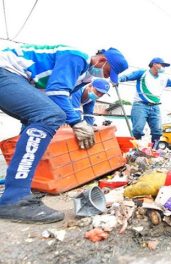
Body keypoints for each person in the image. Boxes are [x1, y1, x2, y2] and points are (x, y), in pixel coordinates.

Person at [0, 44, 128, 223]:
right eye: (108, 72)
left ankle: (19, 187)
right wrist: (77, 122)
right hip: (5, 71)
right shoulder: (76, 57)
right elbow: (56, 94)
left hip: (15, 78)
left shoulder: (83, 77)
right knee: (50, 115)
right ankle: (14, 199)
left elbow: (52, 97)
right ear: (101, 60)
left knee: (37, 119)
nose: (106, 77)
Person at [119, 57, 171, 147]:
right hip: (140, 105)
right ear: (154, 64)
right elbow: (127, 77)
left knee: (157, 131)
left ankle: (154, 150)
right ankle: (136, 149)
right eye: (162, 65)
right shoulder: (142, 73)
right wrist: (118, 80)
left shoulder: (164, 78)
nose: (163, 67)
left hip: (155, 107)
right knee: (137, 129)